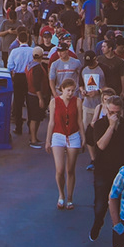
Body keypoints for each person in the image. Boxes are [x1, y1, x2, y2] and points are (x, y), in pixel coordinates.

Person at [86, 89, 124, 243]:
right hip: (102, 171)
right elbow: (100, 145)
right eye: (111, 112)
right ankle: (97, 223)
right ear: (106, 109)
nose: (114, 116)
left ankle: (118, 239)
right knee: (100, 206)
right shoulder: (100, 124)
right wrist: (111, 127)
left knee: (121, 209)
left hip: (120, 172)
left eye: (117, 113)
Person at [46, 78, 84, 209]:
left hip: (73, 135)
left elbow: (79, 121)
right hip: (58, 135)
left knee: (70, 169)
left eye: (73, 90)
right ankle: (61, 194)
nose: (70, 93)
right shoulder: (54, 102)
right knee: (60, 169)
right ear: (62, 89)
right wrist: (48, 140)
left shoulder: (77, 101)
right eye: (68, 90)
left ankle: (69, 197)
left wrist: (83, 137)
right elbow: (51, 122)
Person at [5, 31, 37, 139]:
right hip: (29, 77)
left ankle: (18, 127)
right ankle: (31, 126)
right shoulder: (32, 51)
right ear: (28, 39)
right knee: (30, 101)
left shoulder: (14, 52)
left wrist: (13, 72)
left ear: (18, 40)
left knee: (18, 102)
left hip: (18, 77)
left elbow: (9, 66)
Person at [25, 46, 53, 151]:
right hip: (35, 96)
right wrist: (41, 98)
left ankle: (34, 137)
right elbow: (37, 84)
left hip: (30, 94)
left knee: (34, 118)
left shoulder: (30, 65)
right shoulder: (37, 68)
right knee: (34, 118)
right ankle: (33, 140)